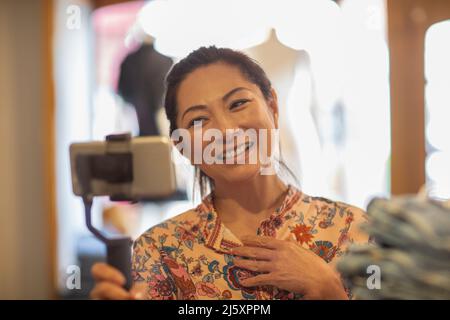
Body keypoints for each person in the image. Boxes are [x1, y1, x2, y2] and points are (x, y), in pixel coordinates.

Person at [90, 46, 369, 300]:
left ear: (272, 105)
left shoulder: (353, 230)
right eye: (198, 120)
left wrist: (326, 288)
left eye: (238, 104)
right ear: (182, 146)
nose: (224, 131)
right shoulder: (158, 251)